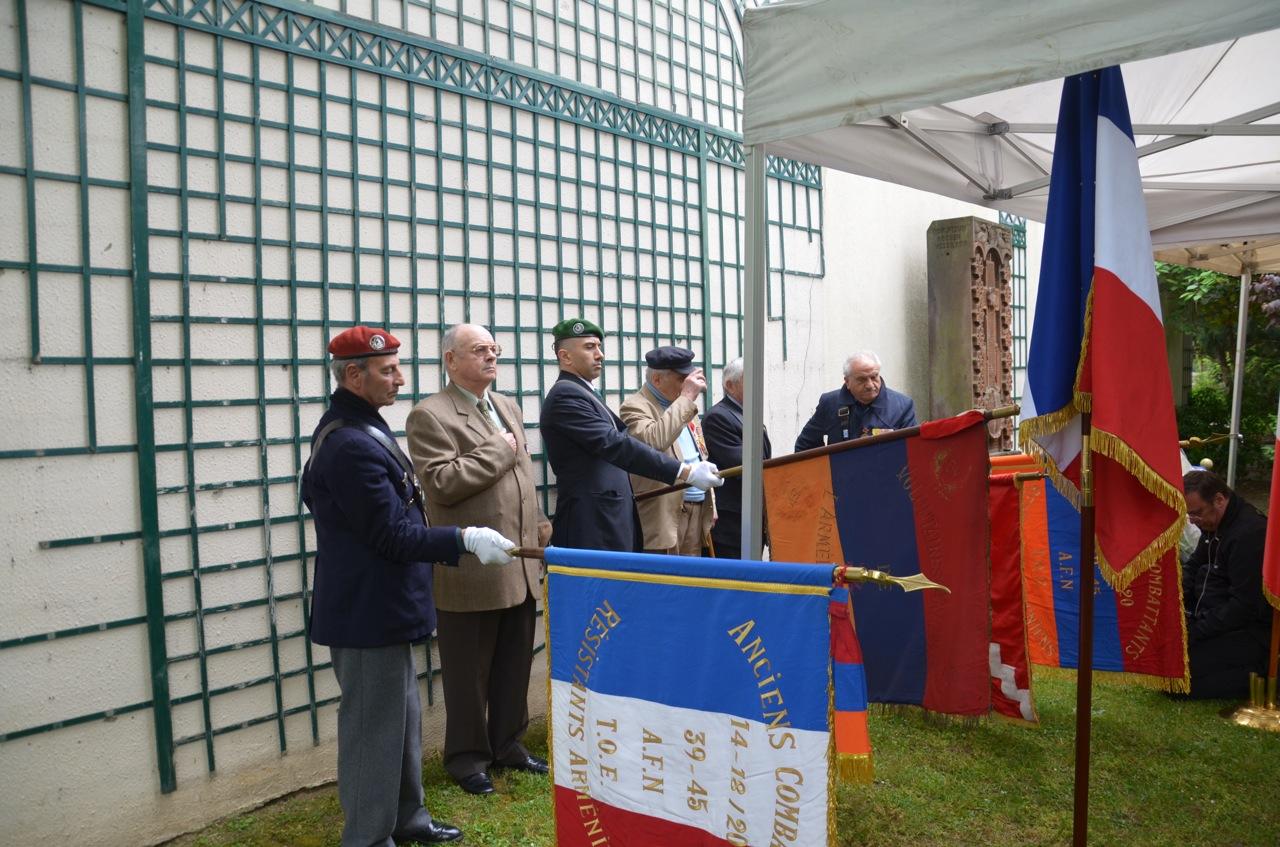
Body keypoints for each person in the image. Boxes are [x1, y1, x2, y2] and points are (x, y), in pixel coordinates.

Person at [302, 325, 515, 846]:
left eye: (397, 366)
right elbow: (391, 535)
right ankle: (370, 837)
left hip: (383, 607)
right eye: (387, 369)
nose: (399, 377)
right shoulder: (350, 443)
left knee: (402, 724)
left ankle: (407, 817)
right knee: (372, 734)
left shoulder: (361, 426)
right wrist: (462, 538)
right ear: (355, 375)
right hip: (366, 612)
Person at [405, 323, 552, 797]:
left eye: (494, 350)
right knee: (468, 672)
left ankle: (507, 742)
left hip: (521, 560)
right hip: (471, 568)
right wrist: (499, 448)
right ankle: (466, 757)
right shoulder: (429, 415)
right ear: (450, 360)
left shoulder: (506, 405)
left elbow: (524, 479)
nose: (491, 358)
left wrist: (541, 532)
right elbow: (443, 482)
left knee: (514, 660)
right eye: (479, 351)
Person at [538, 318, 723, 552]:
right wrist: (685, 471)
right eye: (589, 347)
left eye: (599, 346)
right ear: (565, 356)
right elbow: (617, 445)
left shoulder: (584, 392)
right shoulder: (567, 395)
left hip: (609, 521)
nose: (600, 354)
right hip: (593, 525)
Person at [1181, 470, 1272, 699]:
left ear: (1219, 499)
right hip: (1211, 620)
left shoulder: (1250, 535)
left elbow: (1244, 606)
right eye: (1189, 515)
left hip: (1248, 632)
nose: (1193, 521)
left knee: (1178, 681)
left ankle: (1264, 676)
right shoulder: (1213, 525)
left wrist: (1195, 631)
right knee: (1165, 664)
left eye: (1197, 513)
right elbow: (1193, 567)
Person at [619, 345, 717, 555]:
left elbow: (699, 453)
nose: (688, 386)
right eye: (682, 380)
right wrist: (686, 398)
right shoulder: (634, 406)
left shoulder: (681, 404)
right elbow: (655, 441)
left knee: (692, 581)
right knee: (664, 581)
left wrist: (711, 502)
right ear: (657, 380)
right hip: (664, 513)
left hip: (696, 508)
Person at [702, 356, 772, 559]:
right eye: (750, 379)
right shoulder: (719, 416)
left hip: (752, 517)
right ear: (730, 386)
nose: (758, 385)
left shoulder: (747, 412)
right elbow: (744, 465)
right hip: (733, 523)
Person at [794, 350, 917, 452]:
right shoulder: (830, 404)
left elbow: (913, 451)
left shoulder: (902, 406)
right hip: (841, 477)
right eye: (862, 380)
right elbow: (804, 446)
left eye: (874, 377)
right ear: (847, 382)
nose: (869, 385)